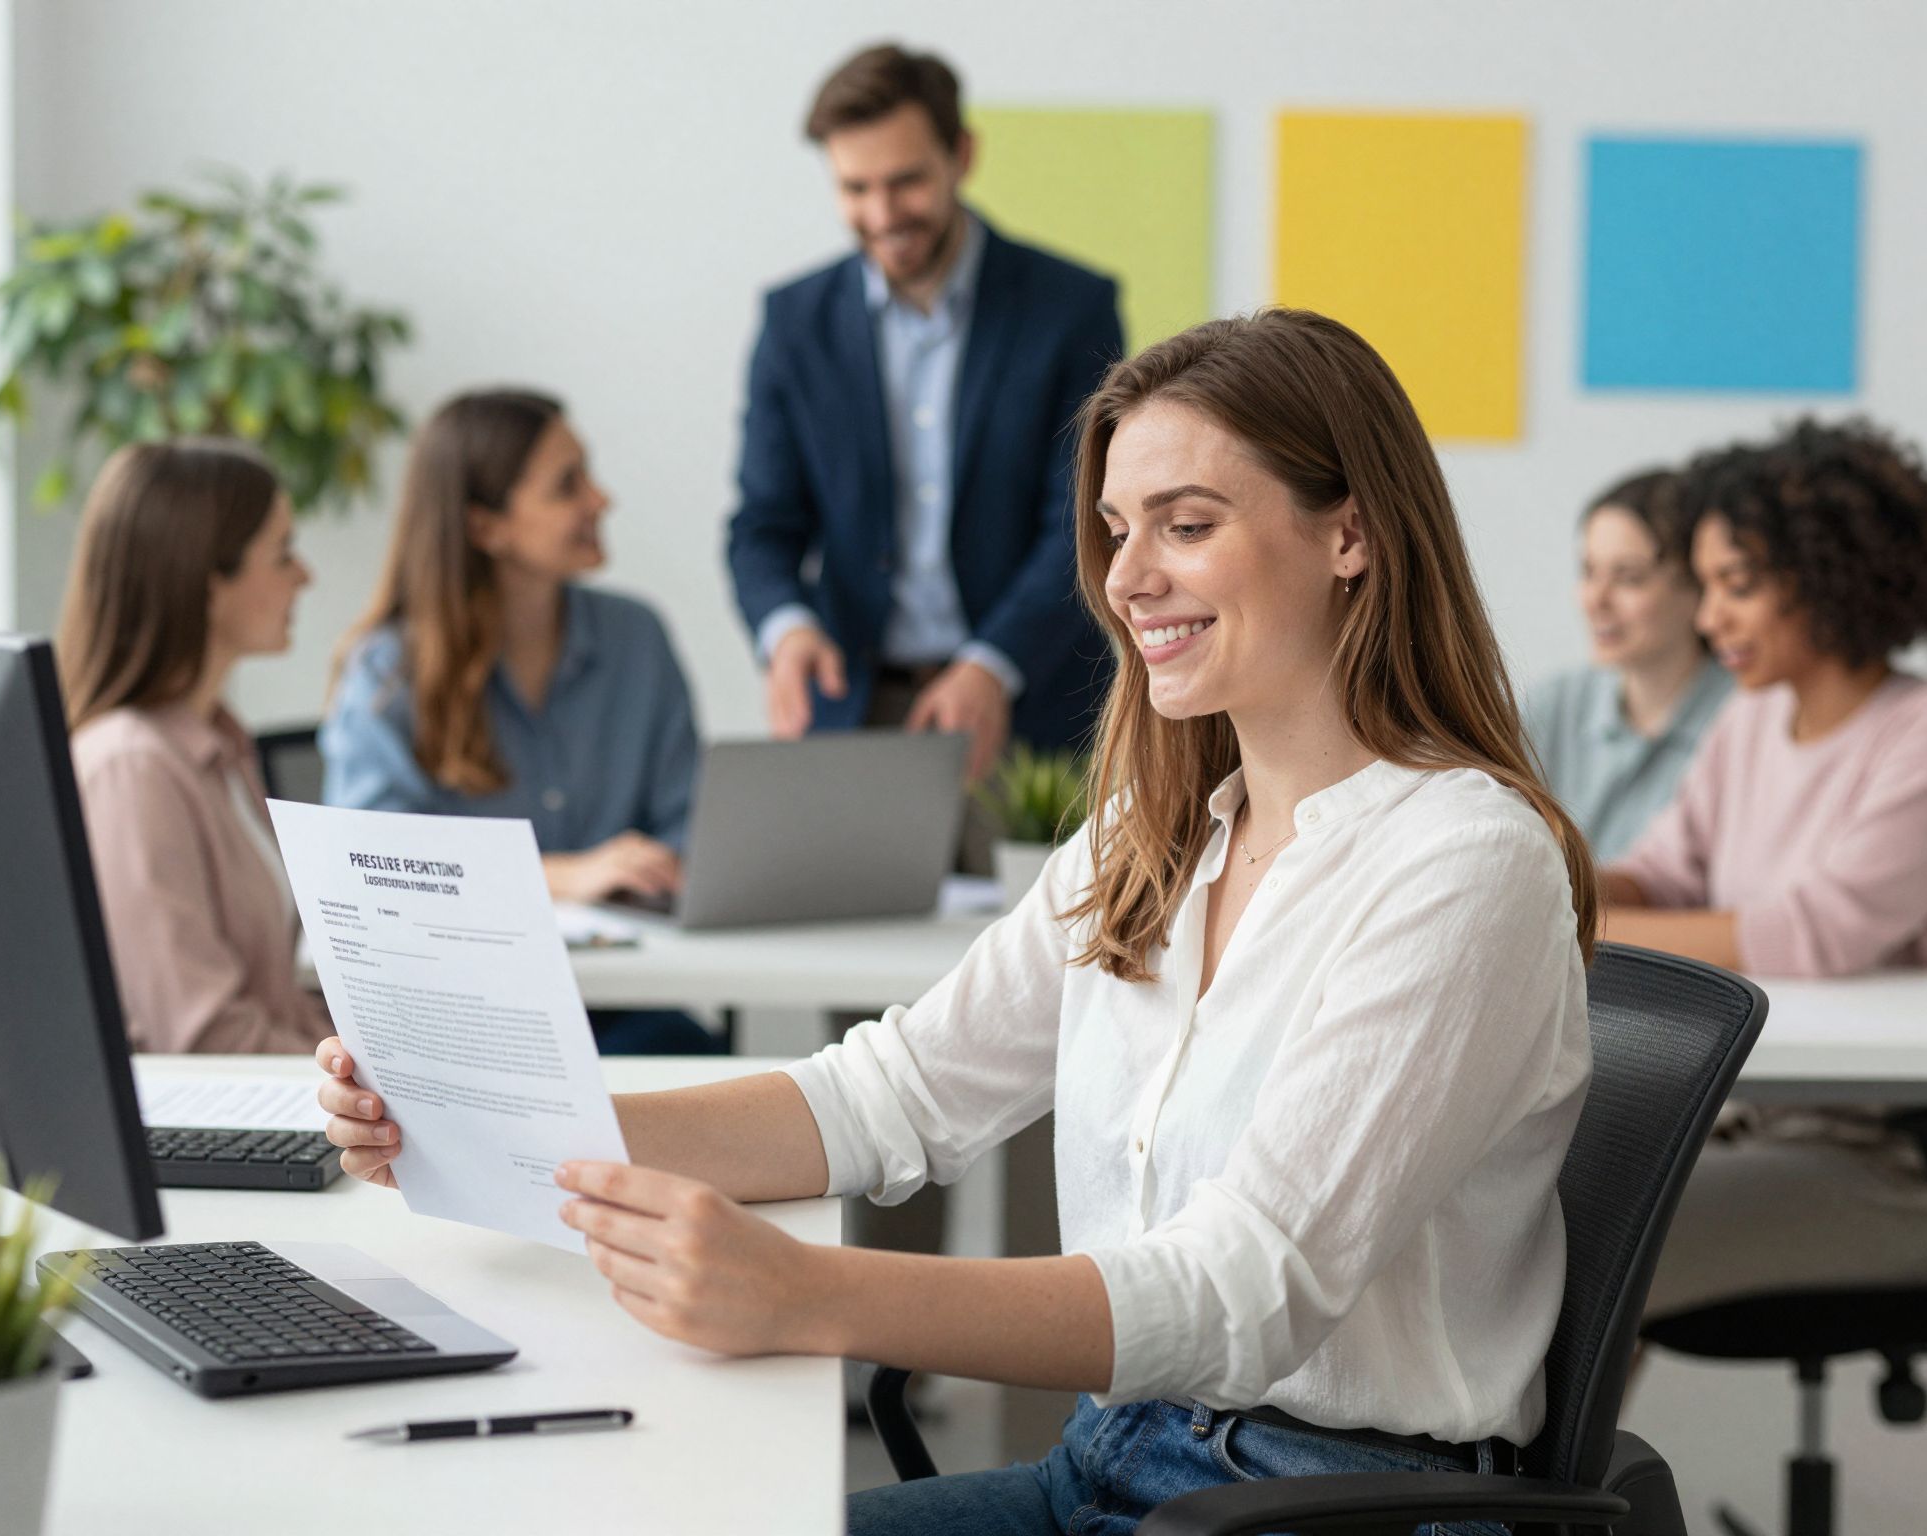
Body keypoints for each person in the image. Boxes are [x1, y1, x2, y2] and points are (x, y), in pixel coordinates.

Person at [320, 310, 1598, 1535]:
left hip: (1330, 1504)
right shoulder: (1146, 836)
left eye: (1186, 525)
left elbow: (1241, 1295)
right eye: (1112, 530)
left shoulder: (1461, 863)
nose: (1126, 577)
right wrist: (496, 1126)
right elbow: (891, 1095)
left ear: (1350, 537)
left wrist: (809, 1295)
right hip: (1110, 1462)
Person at [1598, 419, 1927, 1315]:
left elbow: (1813, 933)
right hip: (1746, 1121)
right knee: (1530, 1219)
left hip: (1896, 1163)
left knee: (1583, 1260)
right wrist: (1539, 875)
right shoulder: (1750, 723)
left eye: (1736, 586)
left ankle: (1538, 1467)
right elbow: (1661, 873)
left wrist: (1578, 926)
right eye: (1704, 588)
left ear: (1828, 576)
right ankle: (1541, 1468)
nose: (1709, 621)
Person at [727, 43, 1125, 789]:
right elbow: (761, 526)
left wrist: (991, 664)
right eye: (855, 188)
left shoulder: (1071, 309)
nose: (882, 215)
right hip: (851, 712)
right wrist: (787, 629)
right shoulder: (793, 323)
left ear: (961, 156)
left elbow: (1084, 520)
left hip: (1027, 708)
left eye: (906, 181)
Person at [322, 388, 710, 1054]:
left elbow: (689, 819)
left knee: (699, 1070)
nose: (600, 500)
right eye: (567, 486)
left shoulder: (636, 639)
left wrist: (662, 868)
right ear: (485, 527)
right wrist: (565, 874)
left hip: (625, 1001)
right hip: (466, 1023)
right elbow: (376, 872)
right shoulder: (389, 674)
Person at [58, 440, 331, 1054]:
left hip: (273, 1102)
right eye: (283, 552)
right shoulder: (132, 767)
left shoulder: (220, 745)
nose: (304, 576)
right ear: (208, 581)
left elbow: (273, 998)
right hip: (218, 1120)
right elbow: (203, 1033)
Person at [1523, 468, 1732, 861]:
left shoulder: (1749, 719)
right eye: (1588, 572)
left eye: (1629, 578)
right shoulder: (1553, 706)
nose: (1596, 599)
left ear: (1696, 586)